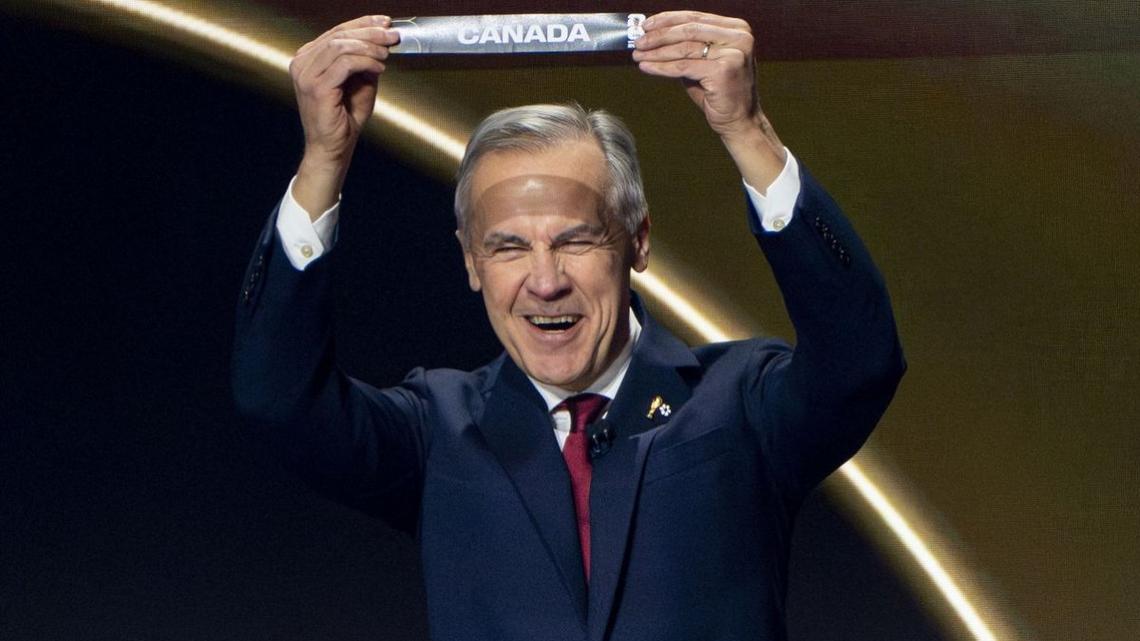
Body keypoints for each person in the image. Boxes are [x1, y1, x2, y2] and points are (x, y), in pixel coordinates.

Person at [232, 10, 905, 641]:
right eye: (508, 246)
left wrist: (749, 131)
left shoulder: (738, 404)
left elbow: (860, 358)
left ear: (638, 241)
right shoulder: (437, 430)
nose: (545, 279)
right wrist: (324, 160)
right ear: (470, 261)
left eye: (576, 241)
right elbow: (278, 396)